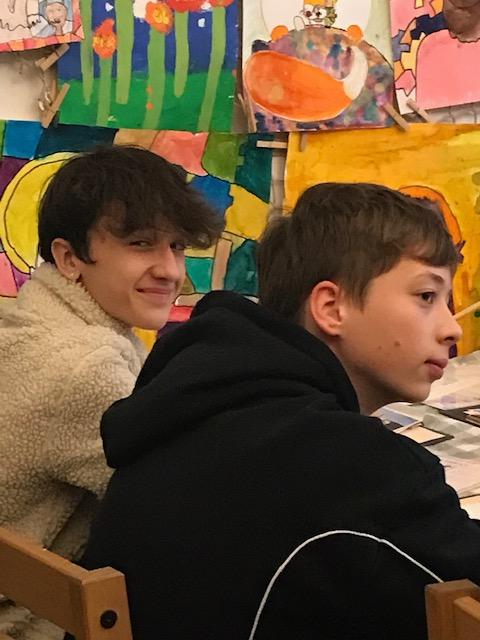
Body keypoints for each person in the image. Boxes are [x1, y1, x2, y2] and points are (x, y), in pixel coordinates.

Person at [81, 183, 480, 640]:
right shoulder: (350, 464)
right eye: (426, 296)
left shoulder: (201, 392)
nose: (451, 328)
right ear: (331, 307)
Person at [0, 145, 221, 639]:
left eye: (177, 246)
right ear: (69, 258)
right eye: (141, 244)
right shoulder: (85, 365)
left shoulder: (32, 324)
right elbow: (185, 502)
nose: (171, 271)